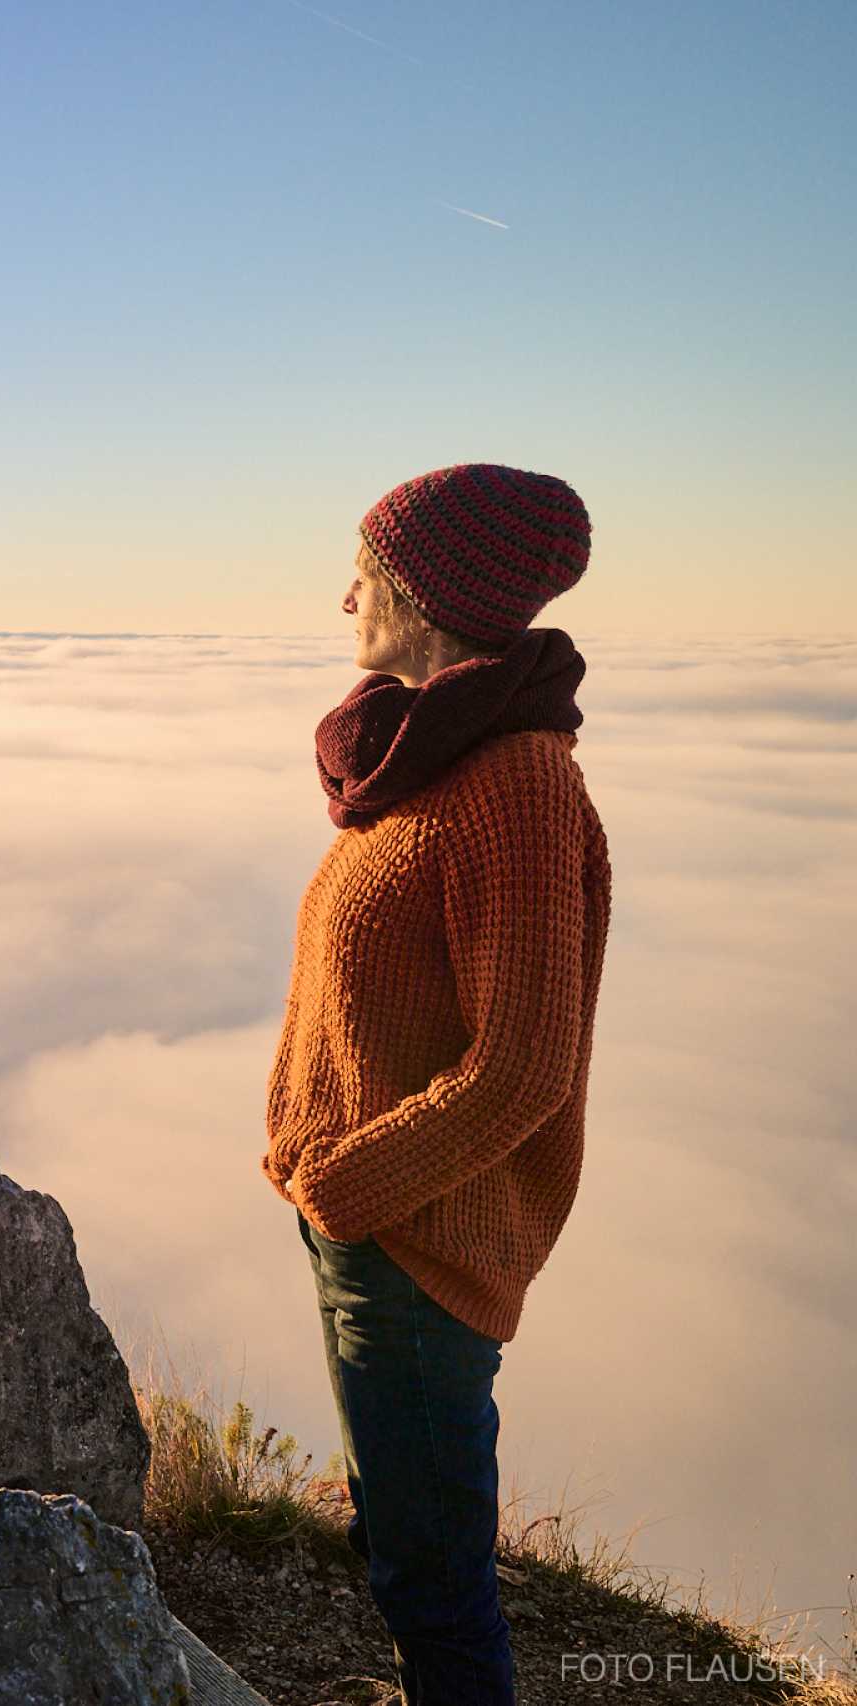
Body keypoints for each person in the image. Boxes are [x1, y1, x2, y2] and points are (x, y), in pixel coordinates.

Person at [261, 463, 613, 1705]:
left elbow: (523, 1064)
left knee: (432, 1570)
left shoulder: (511, 783)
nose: (343, 590)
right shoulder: (422, 753)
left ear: (426, 594)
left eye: (367, 567)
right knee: (391, 1519)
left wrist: (351, 1182)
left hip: (416, 1236)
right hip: (362, 1215)